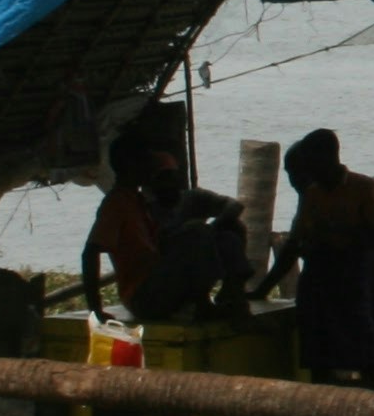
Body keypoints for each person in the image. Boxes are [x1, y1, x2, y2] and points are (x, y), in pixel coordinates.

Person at [265, 128, 374, 384]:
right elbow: (294, 246)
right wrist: (263, 289)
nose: (292, 182)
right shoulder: (314, 196)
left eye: (296, 173)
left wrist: (329, 238)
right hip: (360, 278)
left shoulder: (356, 189)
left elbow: (369, 240)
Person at [82, 128, 249, 325]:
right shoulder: (117, 204)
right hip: (144, 296)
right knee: (197, 231)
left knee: (226, 237)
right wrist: (95, 309)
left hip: (161, 284)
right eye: (147, 160)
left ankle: (231, 297)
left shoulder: (138, 200)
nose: (152, 167)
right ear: (131, 164)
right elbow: (90, 252)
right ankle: (201, 305)